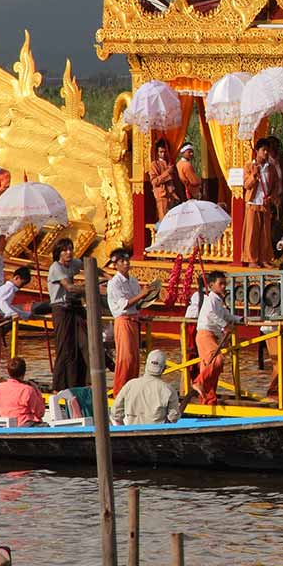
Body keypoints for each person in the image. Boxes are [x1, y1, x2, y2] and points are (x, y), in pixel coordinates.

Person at [105, 247, 155, 395]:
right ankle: (119, 392)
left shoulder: (133, 281)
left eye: (127, 260)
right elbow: (124, 304)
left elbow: (137, 304)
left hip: (134, 320)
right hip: (123, 320)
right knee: (125, 358)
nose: (126, 263)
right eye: (122, 261)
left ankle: (132, 391)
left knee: (134, 359)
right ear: (116, 264)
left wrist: (148, 296)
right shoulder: (114, 283)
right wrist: (142, 294)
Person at [45, 236, 86, 392]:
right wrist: (89, 287)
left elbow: (89, 266)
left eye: (70, 249)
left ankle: (77, 382)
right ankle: (59, 386)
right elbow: (69, 287)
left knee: (79, 346)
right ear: (59, 253)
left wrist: (108, 277)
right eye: (65, 250)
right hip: (60, 308)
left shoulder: (73, 263)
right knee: (64, 347)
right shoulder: (56, 267)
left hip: (72, 307)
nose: (69, 253)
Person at [193, 270, 236, 406]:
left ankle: (208, 400)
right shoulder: (210, 299)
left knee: (210, 367)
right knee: (217, 361)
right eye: (221, 284)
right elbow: (211, 314)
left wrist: (242, 319)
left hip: (212, 335)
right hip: (206, 334)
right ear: (211, 285)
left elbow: (227, 315)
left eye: (225, 284)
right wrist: (224, 326)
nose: (224, 286)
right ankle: (199, 382)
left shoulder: (218, 301)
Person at [112, 349, 184, 424]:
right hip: (158, 433)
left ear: (146, 365)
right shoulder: (169, 390)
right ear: (164, 369)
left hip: (133, 432)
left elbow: (115, 413)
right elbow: (174, 418)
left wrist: (125, 430)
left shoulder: (130, 385)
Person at [242, 139, 276, 267]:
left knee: (265, 232)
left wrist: (271, 197)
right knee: (252, 231)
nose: (266, 153)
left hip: (265, 202)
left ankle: (264, 258)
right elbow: (246, 185)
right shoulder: (249, 166)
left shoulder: (271, 168)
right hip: (253, 202)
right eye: (263, 150)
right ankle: (252, 259)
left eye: (268, 150)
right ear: (257, 151)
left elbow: (275, 186)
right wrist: (254, 176)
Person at [0, 357, 46, 426]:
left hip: (5, 423)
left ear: (8, 372)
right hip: (24, 423)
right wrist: (36, 390)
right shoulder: (27, 390)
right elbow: (40, 413)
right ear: (24, 372)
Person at [147, 138, 183, 223]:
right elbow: (154, 182)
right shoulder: (154, 165)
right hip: (162, 196)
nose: (163, 154)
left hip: (172, 196)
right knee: (164, 221)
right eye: (161, 152)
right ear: (157, 152)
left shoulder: (170, 164)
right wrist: (167, 173)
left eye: (164, 152)